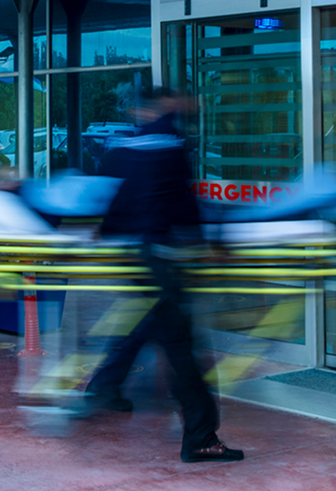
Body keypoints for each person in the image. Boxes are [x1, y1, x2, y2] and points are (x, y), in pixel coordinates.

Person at [79, 86, 243, 463]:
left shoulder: (126, 147)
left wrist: (104, 232)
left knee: (150, 325)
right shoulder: (170, 142)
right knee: (182, 349)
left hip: (138, 258)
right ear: (163, 106)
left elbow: (116, 201)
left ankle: (104, 386)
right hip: (158, 258)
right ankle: (200, 436)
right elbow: (182, 201)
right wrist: (207, 244)